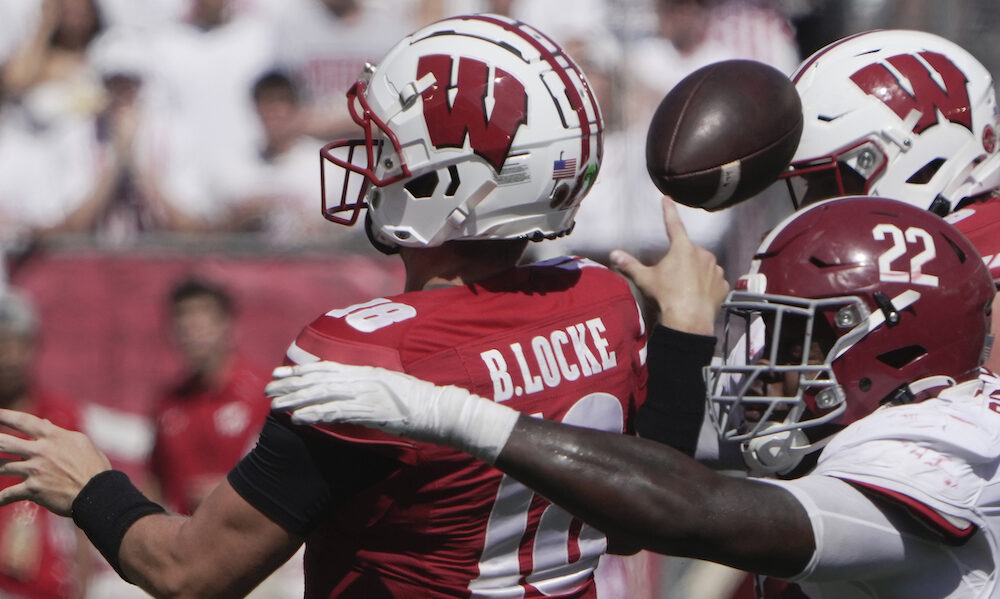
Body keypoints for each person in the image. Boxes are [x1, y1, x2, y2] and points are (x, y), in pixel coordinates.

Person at [0, 14, 656, 598]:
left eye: (392, 147)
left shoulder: (369, 354)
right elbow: (631, 523)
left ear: (449, 183)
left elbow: (190, 572)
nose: (373, 161)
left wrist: (90, 485)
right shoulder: (602, 300)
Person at [263, 195, 1000, 598]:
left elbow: (693, 511)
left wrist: (446, 411)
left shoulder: (936, 457)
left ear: (888, 343)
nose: (760, 365)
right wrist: (679, 339)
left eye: (790, 340)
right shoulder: (898, 420)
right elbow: (654, 467)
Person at [777, 28, 1000, 373]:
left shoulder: (979, 286)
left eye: (828, 182)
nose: (810, 206)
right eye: (808, 183)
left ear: (924, 167)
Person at [148, 276, 270, 516]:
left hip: (246, 539)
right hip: (184, 542)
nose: (191, 328)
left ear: (228, 325)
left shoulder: (264, 394)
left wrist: (231, 490)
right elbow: (155, 478)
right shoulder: (168, 403)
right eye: (182, 317)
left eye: (202, 317)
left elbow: (289, 474)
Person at [0, 288, 93, 599]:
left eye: (18, 345)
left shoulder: (60, 418)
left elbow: (85, 510)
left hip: (51, 587)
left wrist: (82, 584)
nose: (8, 356)